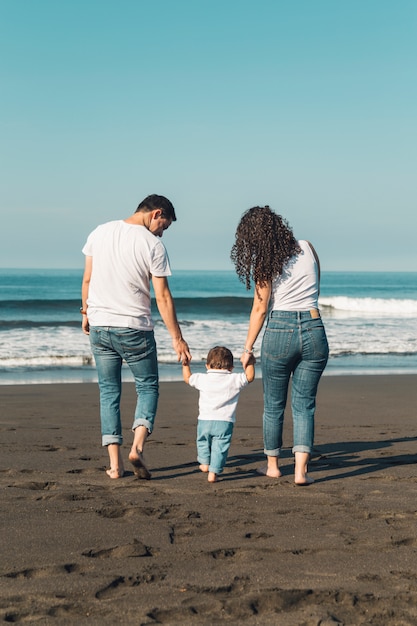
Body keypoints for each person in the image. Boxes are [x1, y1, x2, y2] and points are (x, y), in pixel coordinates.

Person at [81, 194, 191, 480]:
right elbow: (163, 296)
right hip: (134, 328)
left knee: (109, 392)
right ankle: (137, 448)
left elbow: (88, 279)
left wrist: (85, 313)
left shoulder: (100, 231)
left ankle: (115, 466)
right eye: (164, 225)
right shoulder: (152, 244)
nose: (163, 232)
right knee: (148, 387)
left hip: (100, 326)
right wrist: (177, 338)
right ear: (156, 213)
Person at [231, 205, 329, 486]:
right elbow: (316, 287)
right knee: (304, 406)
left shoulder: (265, 261)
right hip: (314, 327)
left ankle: (273, 466)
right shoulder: (308, 247)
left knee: (274, 405)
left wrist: (247, 348)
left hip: (279, 330)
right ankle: (300, 472)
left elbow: (260, 308)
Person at [183, 346, 255, 483]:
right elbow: (249, 377)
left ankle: (204, 463)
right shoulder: (234, 379)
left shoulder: (202, 378)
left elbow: (187, 378)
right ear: (232, 367)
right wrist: (250, 362)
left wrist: (186, 365)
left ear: (207, 365)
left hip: (204, 420)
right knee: (220, 447)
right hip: (224, 421)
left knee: (203, 441)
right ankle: (213, 473)